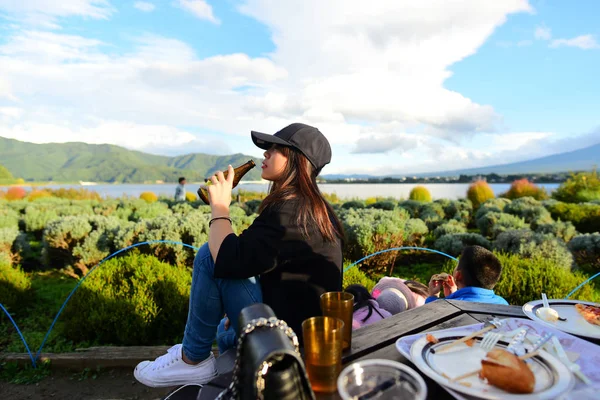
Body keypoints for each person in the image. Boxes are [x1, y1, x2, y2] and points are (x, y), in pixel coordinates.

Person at [134, 123, 344, 388]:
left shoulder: (291, 212)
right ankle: (200, 355)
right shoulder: (309, 207)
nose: (265, 154)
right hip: (301, 328)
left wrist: (220, 206)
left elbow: (225, 258)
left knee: (207, 257)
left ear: (296, 159)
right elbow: (251, 258)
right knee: (227, 330)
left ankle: (193, 360)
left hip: (289, 341)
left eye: (275, 148)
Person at [426, 245, 508, 305]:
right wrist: (453, 295)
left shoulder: (445, 306)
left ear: (458, 275)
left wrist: (433, 296)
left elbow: (430, 318)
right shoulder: (503, 303)